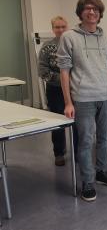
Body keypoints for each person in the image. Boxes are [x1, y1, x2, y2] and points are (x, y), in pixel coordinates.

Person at [57, 0, 107, 202]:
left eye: (95, 9)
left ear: (100, 13)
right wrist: (68, 102)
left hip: (106, 96)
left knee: (104, 138)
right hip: (83, 98)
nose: (91, 12)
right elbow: (64, 71)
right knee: (86, 141)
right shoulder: (69, 37)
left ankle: (101, 172)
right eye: (87, 8)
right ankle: (88, 181)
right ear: (80, 12)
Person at [38, 16, 77, 166]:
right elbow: (43, 71)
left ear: (67, 27)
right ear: (53, 29)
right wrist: (64, 80)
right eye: (57, 27)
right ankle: (59, 153)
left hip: (75, 90)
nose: (60, 30)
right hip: (55, 91)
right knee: (58, 122)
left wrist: (73, 81)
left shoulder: (74, 45)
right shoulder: (47, 47)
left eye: (63, 27)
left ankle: (77, 151)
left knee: (77, 122)